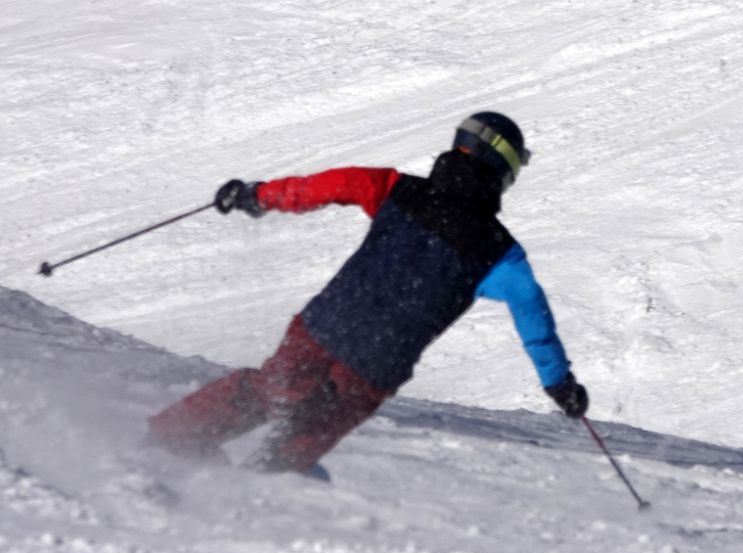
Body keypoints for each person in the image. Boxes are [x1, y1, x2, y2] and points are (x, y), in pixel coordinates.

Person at [147, 112, 589, 473]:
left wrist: (258, 196)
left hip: (323, 326)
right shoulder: (500, 252)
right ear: (504, 170)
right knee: (310, 430)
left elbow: (328, 186)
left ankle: (169, 439)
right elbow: (533, 315)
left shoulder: (398, 189)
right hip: (376, 363)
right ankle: (255, 488)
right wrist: (560, 384)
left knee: (270, 391)